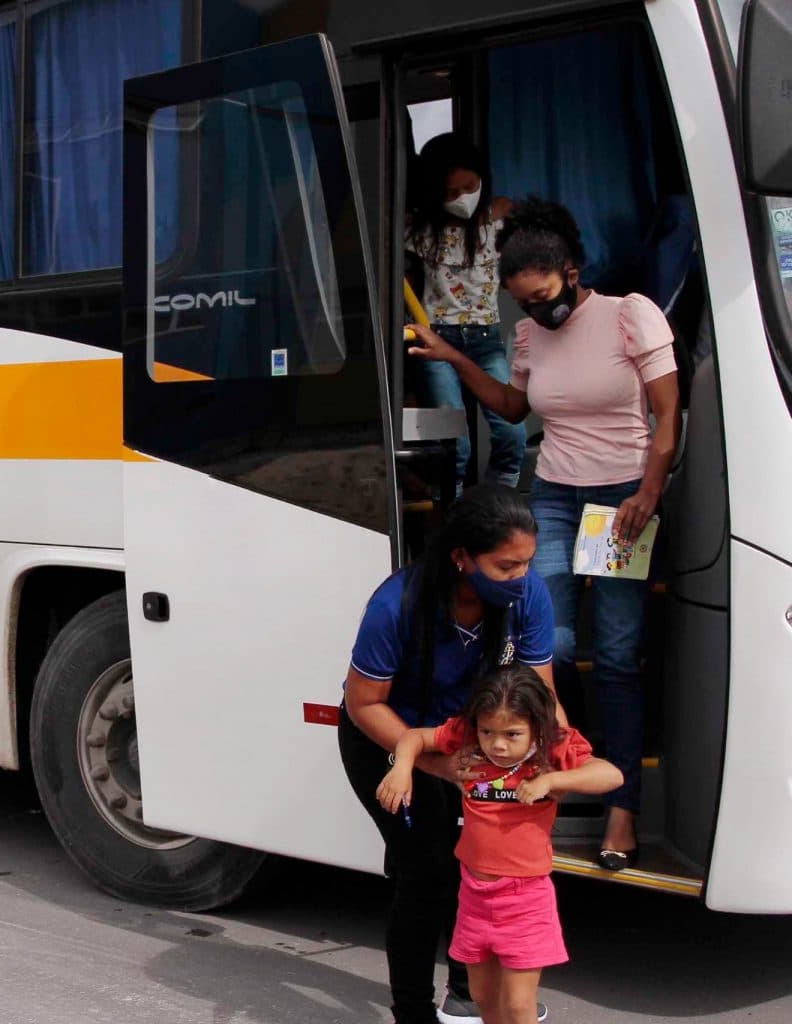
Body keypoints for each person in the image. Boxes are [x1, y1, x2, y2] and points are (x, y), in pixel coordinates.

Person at [405, 198, 681, 869]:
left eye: (545, 295)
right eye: (523, 302)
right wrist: (452, 356)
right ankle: (551, 775)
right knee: (546, 643)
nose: (536, 311)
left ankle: (622, 806)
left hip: (621, 500)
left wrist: (648, 490)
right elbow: (512, 405)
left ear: (572, 271)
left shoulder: (629, 314)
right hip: (555, 495)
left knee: (614, 653)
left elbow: (669, 411)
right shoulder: (529, 337)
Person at [339, 484, 561, 1024]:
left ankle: (466, 994)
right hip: (388, 738)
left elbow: (541, 697)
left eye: (528, 563)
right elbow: (363, 702)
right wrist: (435, 766)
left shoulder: (527, 596)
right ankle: (412, 1012)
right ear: (462, 557)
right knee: (427, 872)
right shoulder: (397, 605)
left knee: (477, 861)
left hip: (470, 743)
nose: (521, 578)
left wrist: (562, 759)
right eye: (506, 565)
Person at [378, 666, 622, 1024]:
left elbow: (610, 775)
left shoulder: (551, 751)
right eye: (488, 731)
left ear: (537, 728)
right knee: (483, 999)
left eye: (512, 734)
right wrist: (402, 768)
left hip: (524, 899)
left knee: (520, 1006)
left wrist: (553, 779)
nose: (498, 744)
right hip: (474, 896)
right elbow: (414, 738)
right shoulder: (468, 740)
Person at [406, 134, 525, 491]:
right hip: (436, 340)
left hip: (485, 338)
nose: (461, 199)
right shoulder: (421, 232)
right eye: (450, 194)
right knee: (454, 444)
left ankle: (498, 502)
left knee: (512, 432)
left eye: (469, 187)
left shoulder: (499, 220)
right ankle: (454, 510)